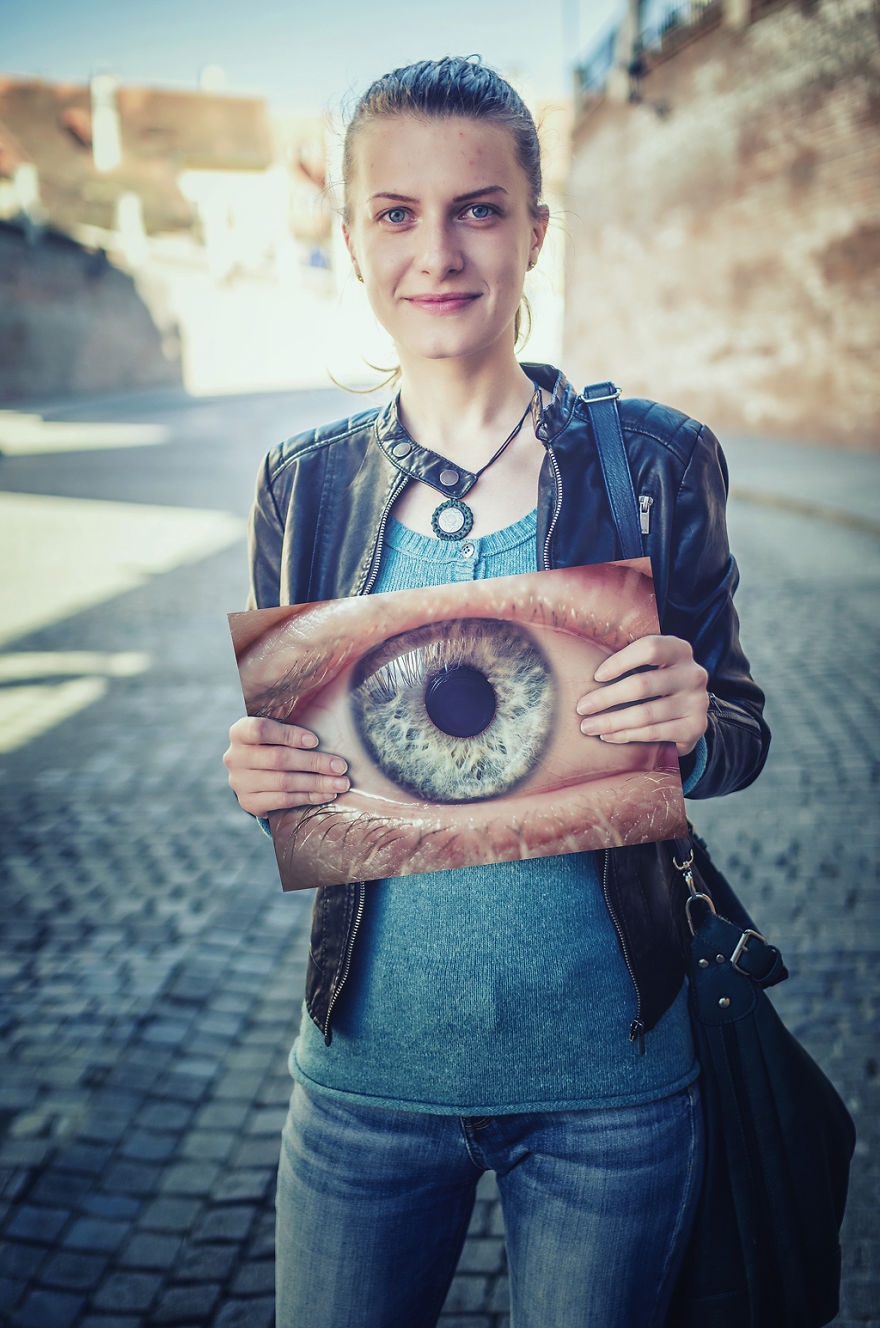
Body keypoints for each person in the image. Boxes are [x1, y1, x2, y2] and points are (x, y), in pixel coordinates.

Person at [223, 56, 770, 1328]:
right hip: (362, 1089)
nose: (439, 252)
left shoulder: (655, 465)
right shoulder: (301, 486)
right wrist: (260, 780)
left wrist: (692, 724)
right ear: (354, 235)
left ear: (535, 227)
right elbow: (297, 762)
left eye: (478, 207)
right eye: (397, 213)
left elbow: (737, 730)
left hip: (613, 1090)